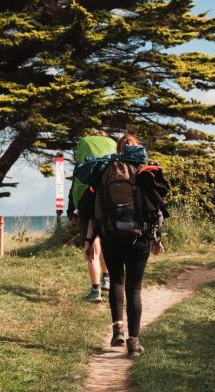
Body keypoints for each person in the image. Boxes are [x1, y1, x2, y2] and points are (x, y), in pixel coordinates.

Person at [83, 134, 167, 356]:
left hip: (110, 237)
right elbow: (156, 208)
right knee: (134, 288)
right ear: (137, 149)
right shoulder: (144, 171)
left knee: (117, 282)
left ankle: (118, 329)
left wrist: (89, 241)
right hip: (138, 239)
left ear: (118, 149)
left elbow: (92, 211)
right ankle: (133, 343)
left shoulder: (103, 172)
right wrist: (157, 238)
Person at [67, 131, 117, 302]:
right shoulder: (110, 170)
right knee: (105, 244)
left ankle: (95, 290)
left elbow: (73, 189)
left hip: (86, 208)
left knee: (93, 247)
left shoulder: (84, 169)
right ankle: (107, 279)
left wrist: (70, 211)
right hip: (107, 207)